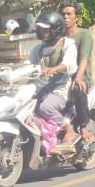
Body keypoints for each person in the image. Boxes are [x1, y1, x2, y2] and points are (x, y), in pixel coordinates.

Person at [28, 11, 79, 151]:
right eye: (41, 29)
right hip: (41, 88)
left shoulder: (67, 45)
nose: (43, 32)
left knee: (45, 107)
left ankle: (68, 129)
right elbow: (27, 65)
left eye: (46, 29)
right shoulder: (38, 48)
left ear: (56, 29)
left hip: (61, 88)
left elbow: (70, 64)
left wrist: (54, 69)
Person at [58, 0, 95, 149]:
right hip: (61, 80)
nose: (65, 17)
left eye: (69, 14)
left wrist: (78, 77)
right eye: (63, 14)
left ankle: (83, 127)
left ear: (77, 17)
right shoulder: (59, 36)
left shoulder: (84, 35)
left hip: (82, 78)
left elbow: (83, 59)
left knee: (77, 88)